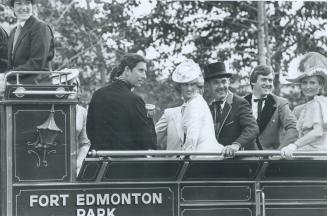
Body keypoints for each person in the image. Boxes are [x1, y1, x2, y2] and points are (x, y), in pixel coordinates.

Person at [86, 53, 157, 151]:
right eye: (141, 70)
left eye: (145, 71)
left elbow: (90, 131)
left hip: (99, 162)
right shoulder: (135, 100)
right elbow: (148, 144)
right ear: (127, 70)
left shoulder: (98, 94)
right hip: (126, 164)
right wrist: (149, 117)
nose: (144, 76)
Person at [155, 60, 224, 154]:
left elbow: (192, 133)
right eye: (185, 85)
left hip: (200, 160)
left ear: (197, 85)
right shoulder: (170, 113)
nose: (189, 89)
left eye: (192, 84)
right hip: (178, 163)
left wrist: (186, 156)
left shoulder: (196, 102)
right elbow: (153, 139)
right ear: (179, 87)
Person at [204, 61, 259, 156]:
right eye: (216, 83)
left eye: (224, 81)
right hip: (219, 162)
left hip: (243, 162)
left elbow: (252, 128)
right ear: (208, 86)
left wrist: (236, 145)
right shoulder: (207, 108)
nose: (221, 86)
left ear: (228, 82)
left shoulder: (240, 103)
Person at [281, 52, 327, 159]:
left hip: (317, 157)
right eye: (304, 83)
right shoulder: (302, 109)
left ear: (320, 85)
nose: (308, 87)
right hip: (307, 155)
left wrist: (294, 146)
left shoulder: (319, 102)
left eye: (312, 83)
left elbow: (318, 132)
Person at [244, 65, 298, 150]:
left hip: (270, 158)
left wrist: (280, 151)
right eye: (264, 80)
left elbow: (293, 128)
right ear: (253, 82)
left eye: (270, 80)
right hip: (245, 158)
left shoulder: (280, 103)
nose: (268, 84)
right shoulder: (241, 103)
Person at [51, 69, 91, 175]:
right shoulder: (50, 109)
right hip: (50, 163)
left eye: (74, 85)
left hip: (73, 166)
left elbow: (85, 143)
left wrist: (78, 162)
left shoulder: (82, 112)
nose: (71, 88)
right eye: (66, 84)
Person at [7, 0, 55, 84]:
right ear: (12, 8)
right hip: (18, 85)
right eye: (19, 3)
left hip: (37, 87)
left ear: (32, 6)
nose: (24, 7)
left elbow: (36, 63)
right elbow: (11, 63)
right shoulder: (13, 32)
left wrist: (7, 75)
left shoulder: (40, 27)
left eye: (27, 3)